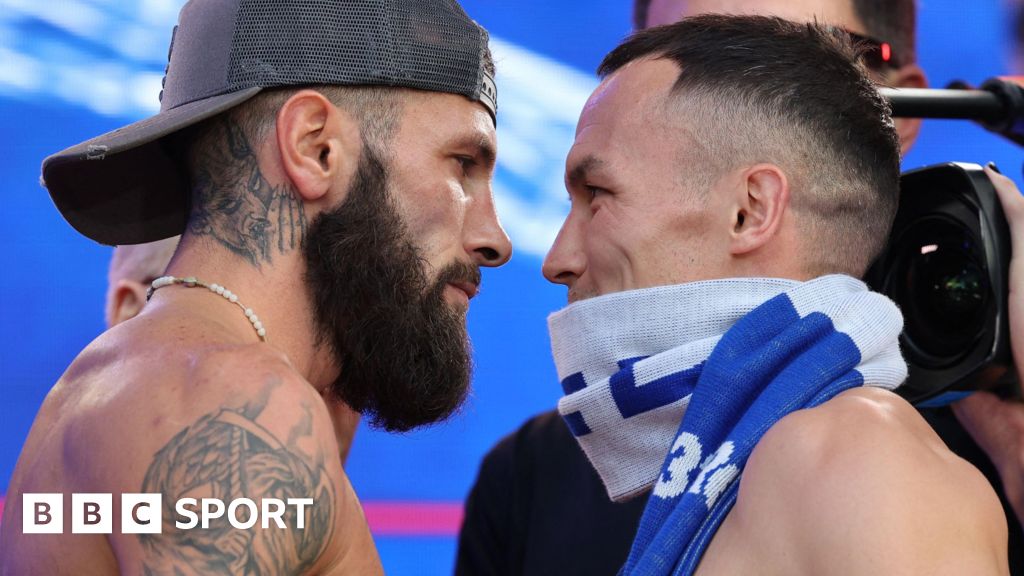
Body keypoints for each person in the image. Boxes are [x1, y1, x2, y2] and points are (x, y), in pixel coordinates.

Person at [457, 2, 1023, 574]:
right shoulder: (543, 476)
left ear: (750, 211)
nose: (557, 260)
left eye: (598, 194)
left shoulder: (858, 455)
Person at [0, 0, 510, 573]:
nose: (495, 238)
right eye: (463, 163)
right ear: (315, 147)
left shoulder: (125, 382)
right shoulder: (233, 402)